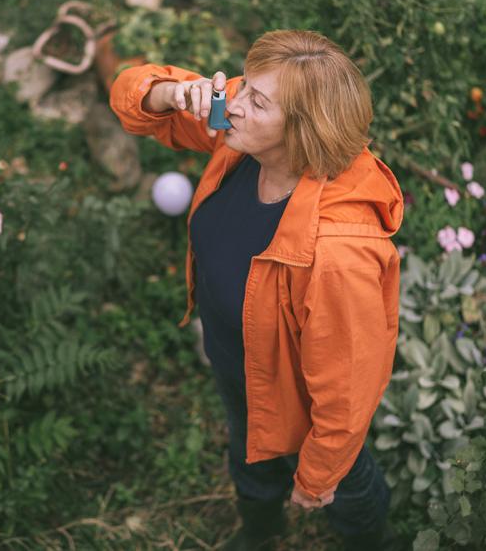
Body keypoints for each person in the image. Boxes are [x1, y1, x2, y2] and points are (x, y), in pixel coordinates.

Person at [110, 30, 403, 550]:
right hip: (239, 365)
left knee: (349, 493)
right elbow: (128, 96)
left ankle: (373, 540)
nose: (234, 102)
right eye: (242, 89)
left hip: (298, 402)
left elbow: (347, 389)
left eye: (256, 99)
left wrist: (316, 477)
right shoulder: (245, 134)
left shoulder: (338, 252)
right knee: (247, 450)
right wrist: (168, 93)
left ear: (303, 131)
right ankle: (259, 531)